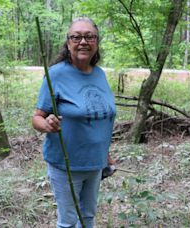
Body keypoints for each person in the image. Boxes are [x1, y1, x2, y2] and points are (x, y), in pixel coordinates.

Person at [32, 17, 116, 228]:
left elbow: (102, 118)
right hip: (66, 163)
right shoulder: (55, 75)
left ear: (97, 42)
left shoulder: (100, 74)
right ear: (68, 43)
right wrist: (48, 124)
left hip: (95, 163)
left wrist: (105, 154)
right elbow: (37, 118)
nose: (83, 41)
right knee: (68, 222)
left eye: (89, 36)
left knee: (88, 217)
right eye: (76, 37)